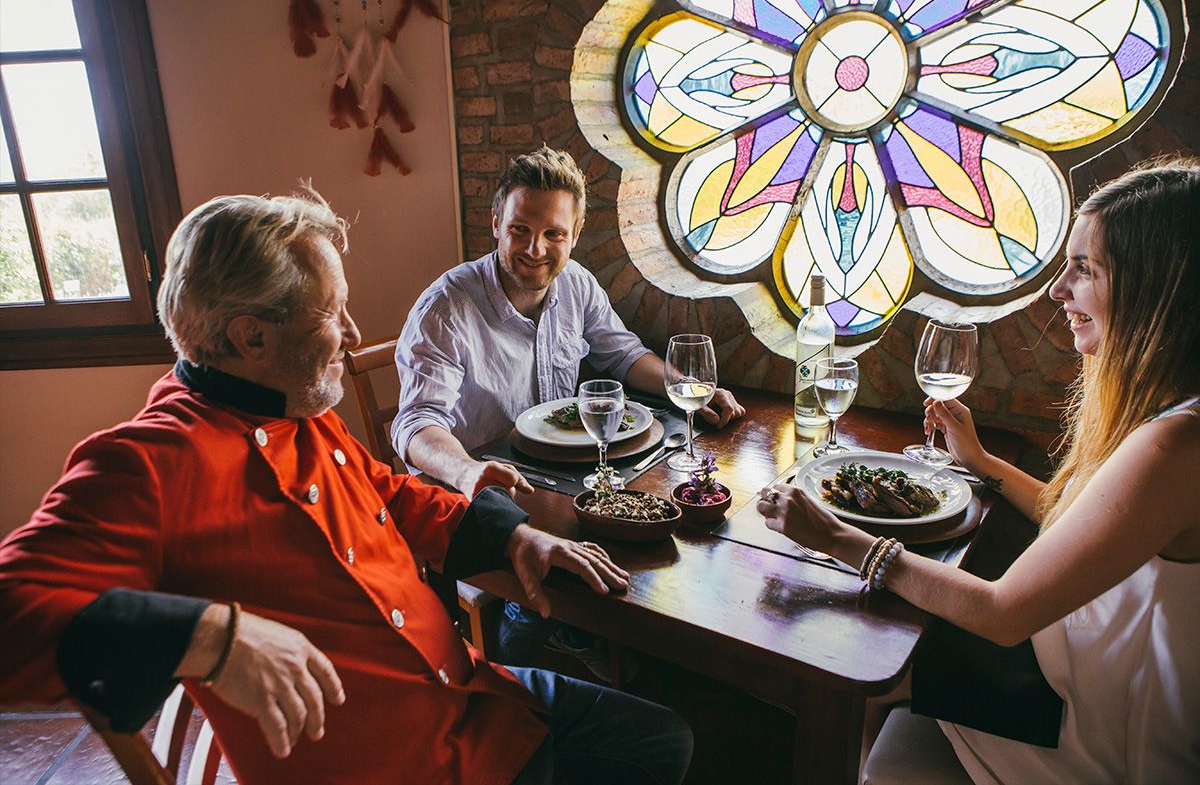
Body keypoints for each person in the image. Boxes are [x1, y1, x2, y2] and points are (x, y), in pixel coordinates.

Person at [0, 189, 693, 785]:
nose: (353, 334)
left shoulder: (294, 406)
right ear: (249, 338)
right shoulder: (149, 461)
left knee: (664, 740)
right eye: (332, 313)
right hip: (391, 762)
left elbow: (390, 495)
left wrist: (514, 533)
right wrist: (210, 636)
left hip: (460, 695)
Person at [757, 159, 1200, 782]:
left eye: (1087, 269)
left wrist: (834, 536)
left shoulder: (1177, 444)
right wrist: (984, 464)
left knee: (860, 656)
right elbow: (1083, 526)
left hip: (1091, 719)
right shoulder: (1170, 412)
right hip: (1071, 660)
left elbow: (1002, 612)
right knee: (885, 657)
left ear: (1157, 292)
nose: (1058, 290)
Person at [393, 147, 745, 673]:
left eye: (553, 234)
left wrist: (685, 386)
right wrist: (469, 471)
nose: (535, 249)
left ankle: (596, 645)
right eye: (519, 230)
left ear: (574, 234)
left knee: (663, 536)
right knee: (601, 554)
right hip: (478, 494)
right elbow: (416, 425)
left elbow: (622, 354)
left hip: (559, 480)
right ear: (495, 225)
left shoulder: (576, 283)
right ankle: (528, 648)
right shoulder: (448, 307)